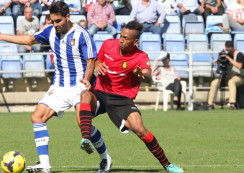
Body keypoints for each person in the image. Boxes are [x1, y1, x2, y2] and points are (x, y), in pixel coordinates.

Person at [0, 2, 111, 173]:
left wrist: (88, 79)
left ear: (68, 17)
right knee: (37, 117)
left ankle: (105, 158)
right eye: (52, 21)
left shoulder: (83, 35)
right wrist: (2, 37)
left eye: (58, 21)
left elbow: (91, 61)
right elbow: (30, 39)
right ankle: (44, 165)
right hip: (59, 86)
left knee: (84, 125)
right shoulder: (50, 31)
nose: (55, 25)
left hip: (79, 86)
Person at [78, 21, 184, 173]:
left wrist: (142, 74)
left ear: (135, 41)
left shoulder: (140, 56)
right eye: (121, 36)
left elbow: (147, 74)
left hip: (121, 99)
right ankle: (86, 138)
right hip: (100, 92)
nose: (121, 40)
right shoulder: (108, 44)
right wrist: (96, 63)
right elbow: (95, 59)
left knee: (140, 129)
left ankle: (167, 165)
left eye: (126, 38)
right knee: (85, 94)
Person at [208, 41, 244, 110]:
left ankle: (232, 104)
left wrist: (228, 58)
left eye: (229, 49)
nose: (228, 51)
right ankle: (210, 104)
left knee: (231, 82)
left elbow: (239, 66)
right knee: (214, 83)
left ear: (232, 48)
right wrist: (219, 61)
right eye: (226, 49)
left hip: (239, 76)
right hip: (228, 76)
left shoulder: (239, 55)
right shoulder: (227, 55)